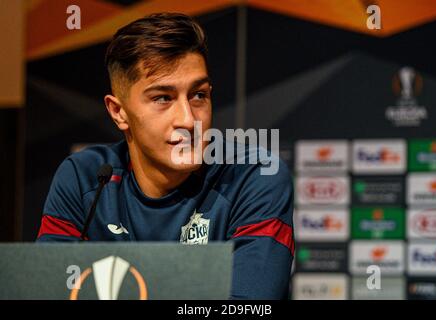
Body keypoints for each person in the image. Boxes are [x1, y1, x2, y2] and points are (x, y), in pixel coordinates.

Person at [36, 12, 294, 299]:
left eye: (198, 95)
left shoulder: (253, 175)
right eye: (163, 98)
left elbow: (248, 306)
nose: (187, 119)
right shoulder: (84, 177)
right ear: (118, 112)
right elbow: (48, 291)